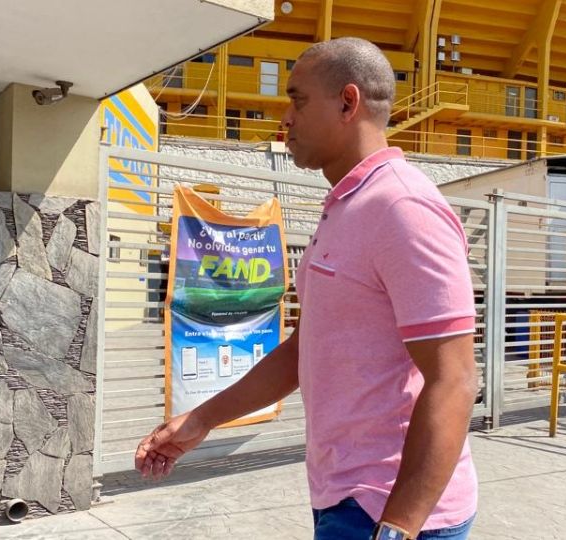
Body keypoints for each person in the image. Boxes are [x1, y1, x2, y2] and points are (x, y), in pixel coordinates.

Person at [135, 37, 478, 540]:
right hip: (343, 499)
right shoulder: (345, 208)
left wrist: (399, 528)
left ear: (347, 102)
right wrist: (201, 420)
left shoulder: (403, 208)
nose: (286, 118)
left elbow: (454, 379)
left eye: (298, 100)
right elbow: (304, 349)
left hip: (391, 511)